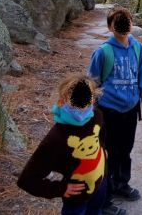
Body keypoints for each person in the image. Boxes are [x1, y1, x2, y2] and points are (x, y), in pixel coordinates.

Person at [17, 75, 110, 215]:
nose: (82, 103)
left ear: (93, 98)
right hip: (76, 200)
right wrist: (60, 189)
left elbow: (100, 133)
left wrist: (103, 150)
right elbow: (27, 180)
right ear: (62, 101)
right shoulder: (55, 139)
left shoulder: (96, 116)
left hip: (100, 185)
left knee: (96, 210)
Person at [88, 7, 142, 211]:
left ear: (131, 24)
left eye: (127, 21)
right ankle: (104, 199)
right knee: (108, 153)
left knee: (125, 150)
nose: (123, 25)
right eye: (118, 22)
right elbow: (93, 81)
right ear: (111, 27)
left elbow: (140, 74)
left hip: (130, 109)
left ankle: (121, 184)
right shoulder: (103, 52)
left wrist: (138, 95)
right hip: (109, 111)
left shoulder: (138, 48)